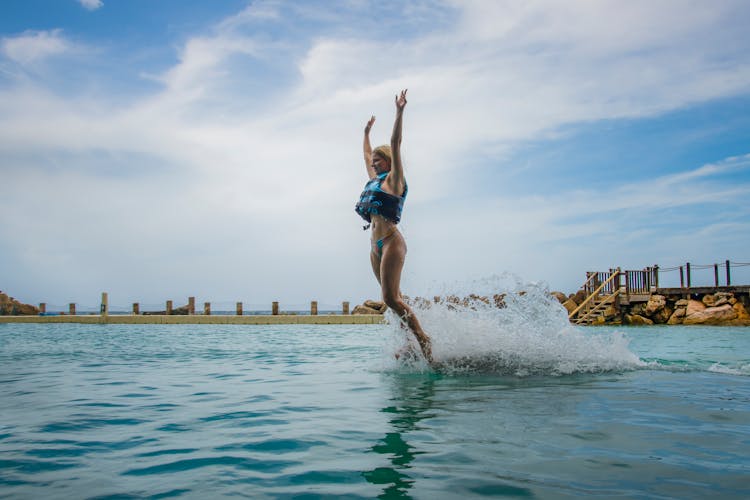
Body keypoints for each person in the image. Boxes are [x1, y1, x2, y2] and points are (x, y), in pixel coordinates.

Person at [355, 89, 433, 362]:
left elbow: (395, 141)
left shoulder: (395, 180)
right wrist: (365, 133)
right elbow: (366, 155)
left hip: (391, 241)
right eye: (373, 162)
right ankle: (410, 343)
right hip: (374, 246)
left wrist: (399, 112)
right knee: (393, 299)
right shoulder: (374, 180)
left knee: (389, 298)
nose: (373, 164)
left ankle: (424, 340)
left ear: (388, 161)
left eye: (379, 161)